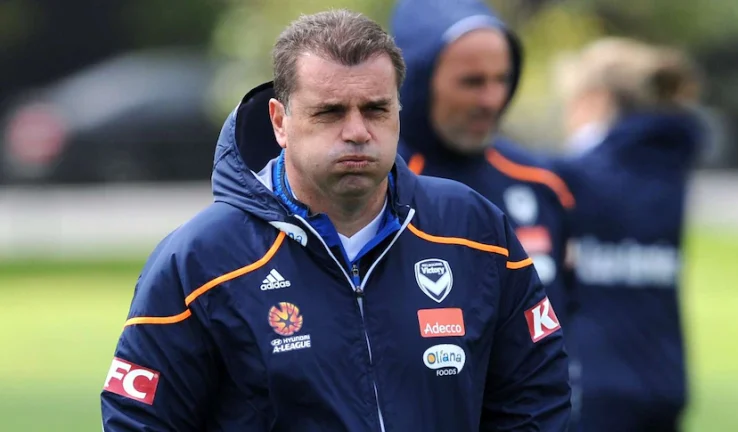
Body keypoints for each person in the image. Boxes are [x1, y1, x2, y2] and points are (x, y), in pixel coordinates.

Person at [100, 9, 571, 431]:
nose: (357, 132)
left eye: (376, 109)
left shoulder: (474, 230)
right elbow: (139, 422)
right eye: (330, 112)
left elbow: (535, 395)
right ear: (280, 121)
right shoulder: (201, 260)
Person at [391, 0, 576, 330]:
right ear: (417, 81)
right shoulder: (382, 188)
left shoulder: (540, 182)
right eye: (472, 82)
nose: (492, 99)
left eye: (502, 79)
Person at [552, 37, 707, 432]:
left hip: (596, 385)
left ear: (595, 100)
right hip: (665, 379)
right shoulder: (670, 167)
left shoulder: (575, 177)